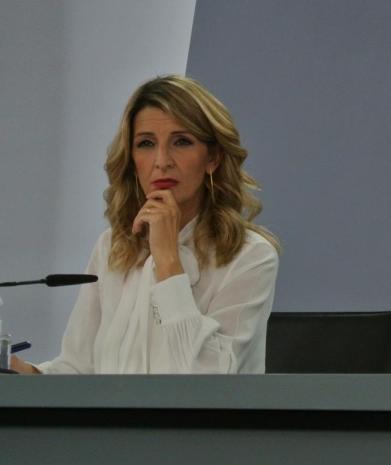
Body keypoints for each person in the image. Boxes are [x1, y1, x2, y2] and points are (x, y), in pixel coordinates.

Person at [11, 75, 279, 374]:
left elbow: (211, 377)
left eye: (181, 142)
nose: (162, 161)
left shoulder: (251, 256)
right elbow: (79, 368)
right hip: (111, 422)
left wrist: (167, 261)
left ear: (213, 158)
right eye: (146, 143)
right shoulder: (113, 247)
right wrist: (23, 373)